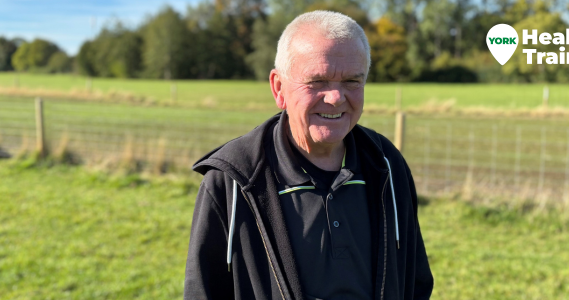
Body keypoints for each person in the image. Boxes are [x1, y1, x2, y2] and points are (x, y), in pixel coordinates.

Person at [184, 10, 433, 300]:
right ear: (279, 88)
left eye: (352, 81)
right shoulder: (233, 180)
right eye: (317, 81)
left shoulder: (387, 165)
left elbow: (415, 283)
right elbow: (204, 292)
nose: (336, 97)